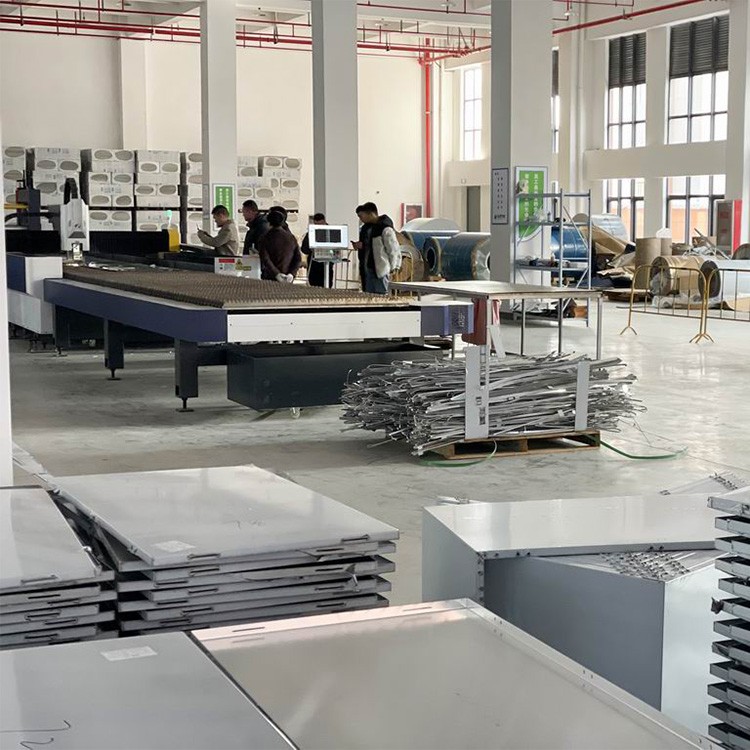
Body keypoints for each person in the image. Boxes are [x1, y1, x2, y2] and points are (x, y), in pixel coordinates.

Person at [353, 202, 401, 294]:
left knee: (382, 294)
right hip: (367, 268)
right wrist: (360, 245)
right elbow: (369, 245)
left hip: (381, 269)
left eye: (361, 216)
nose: (361, 219)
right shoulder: (365, 229)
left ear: (370, 214)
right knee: (368, 295)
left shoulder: (385, 228)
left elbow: (393, 249)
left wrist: (394, 267)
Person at [257, 209, 302, 282]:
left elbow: (265, 258)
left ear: (269, 222)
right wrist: (292, 273)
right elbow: (298, 258)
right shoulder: (291, 237)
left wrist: (276, 274)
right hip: (288, 278)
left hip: (270, 278)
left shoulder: (264, 238)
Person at [300, 213, 334, 288]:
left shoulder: (332, 232)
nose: (319, 227)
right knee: (314, 284)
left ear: (324, 221)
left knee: (327, 283)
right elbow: (304, 249)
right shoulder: (310, 233)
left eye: (321, 224)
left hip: (327, 263)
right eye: (316, 224)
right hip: (313, 264)